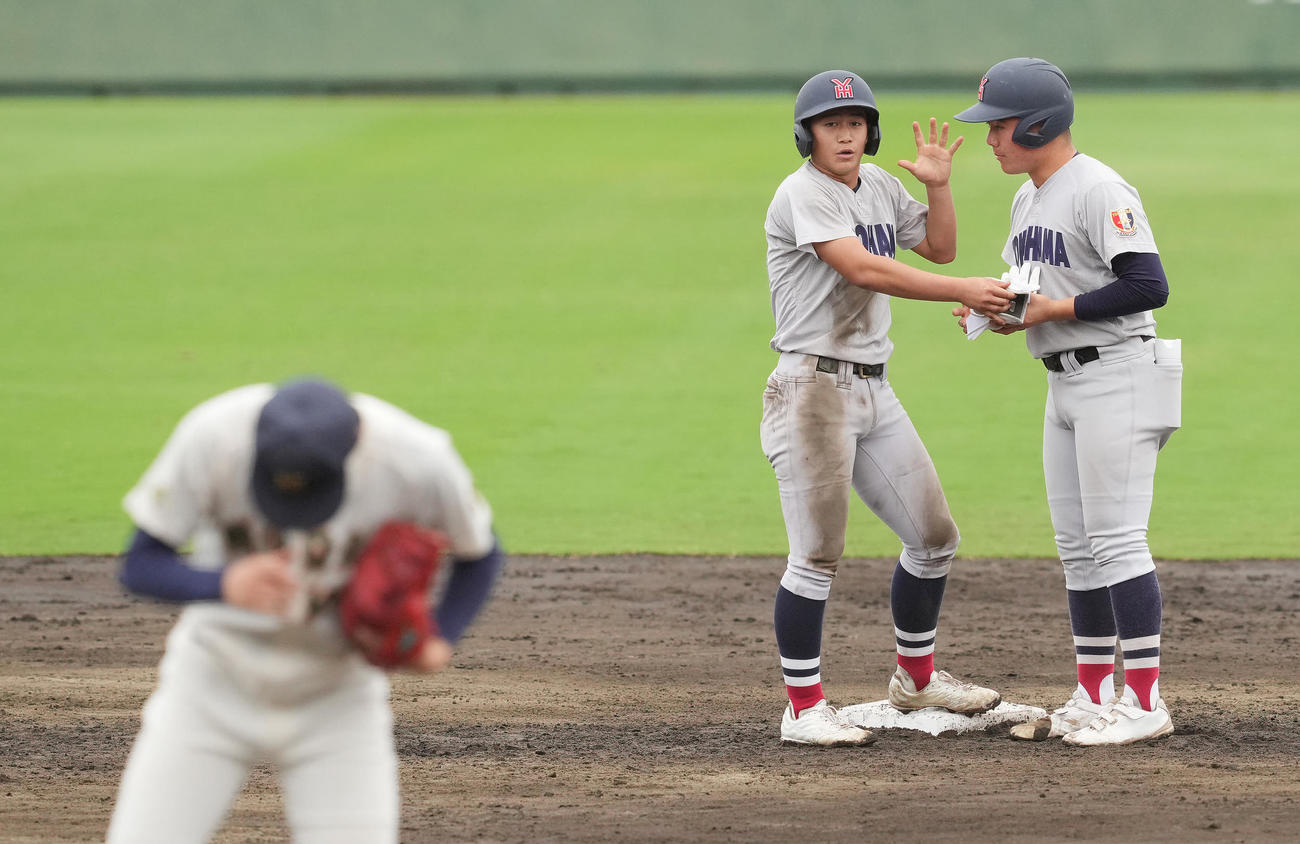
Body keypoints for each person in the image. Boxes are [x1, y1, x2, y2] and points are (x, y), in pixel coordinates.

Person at [106, 378, 506, 842]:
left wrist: (440, 639)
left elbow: (480, 551)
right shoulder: (213, 436)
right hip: (209, 686)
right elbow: (139, 565)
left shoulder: (416, 459)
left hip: (337, 698)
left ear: (353, 450)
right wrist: (223, 582)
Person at [761, 69, 1015, 747]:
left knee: (934, 539)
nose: (844, 135)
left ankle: (916, 677)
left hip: (874, 388)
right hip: (811, 391)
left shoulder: (877, 186)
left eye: (854, 124)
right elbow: (863, 268)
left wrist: (937, 186)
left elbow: (937, 246)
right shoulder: (801, 194)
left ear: (869, 132)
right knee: (816, 554)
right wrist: (960, 289)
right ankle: (804, 708)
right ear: (807, 135)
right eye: (830, 125)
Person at [953, 57, 1181, 746]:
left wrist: (1054, 307)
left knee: (1115, 542)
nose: (990, 139)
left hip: (1120, 376)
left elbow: (1148, 284)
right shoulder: (1029, 196)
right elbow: (1033, 289)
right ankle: (1092, 692)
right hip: (1065, 383)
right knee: (1078, 550)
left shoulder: (1097, 187)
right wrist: (994, 307)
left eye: (1000, 126)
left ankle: (1144, 702)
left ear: (1040, 122)